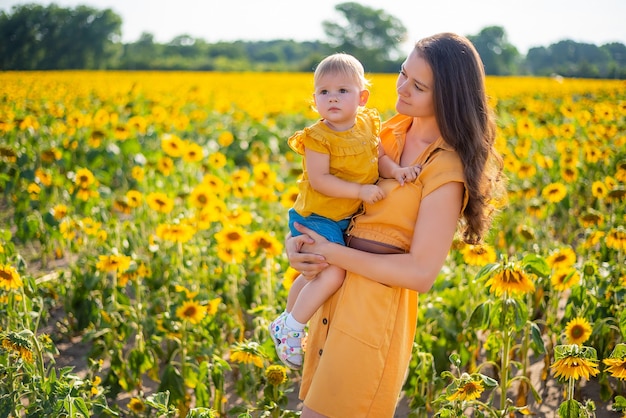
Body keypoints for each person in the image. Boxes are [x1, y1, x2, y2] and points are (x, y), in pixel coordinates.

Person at [284, 33, 506, 417]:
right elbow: (331, 195)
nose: (402, 88)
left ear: (448, 97)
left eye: (418, 86)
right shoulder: (385, 130)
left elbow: (421, 273)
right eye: (403, 73)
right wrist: (299, 242)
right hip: (330, 296)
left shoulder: (445, 167)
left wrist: (332, 252)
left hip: (373, 312)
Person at [269, 53, 422, 370]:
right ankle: (293, 327)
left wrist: (397, 171)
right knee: (333, 270)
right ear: (315, 100)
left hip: (341, 218)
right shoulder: (317, 137)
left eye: (342, 91)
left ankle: (285, 320)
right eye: (324, 92)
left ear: (362, 97)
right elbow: (321, 181)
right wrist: (360, 191)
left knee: (316, 270)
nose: (332, 98)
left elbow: (377, 157)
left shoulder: (367, 124)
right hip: (316, 216)